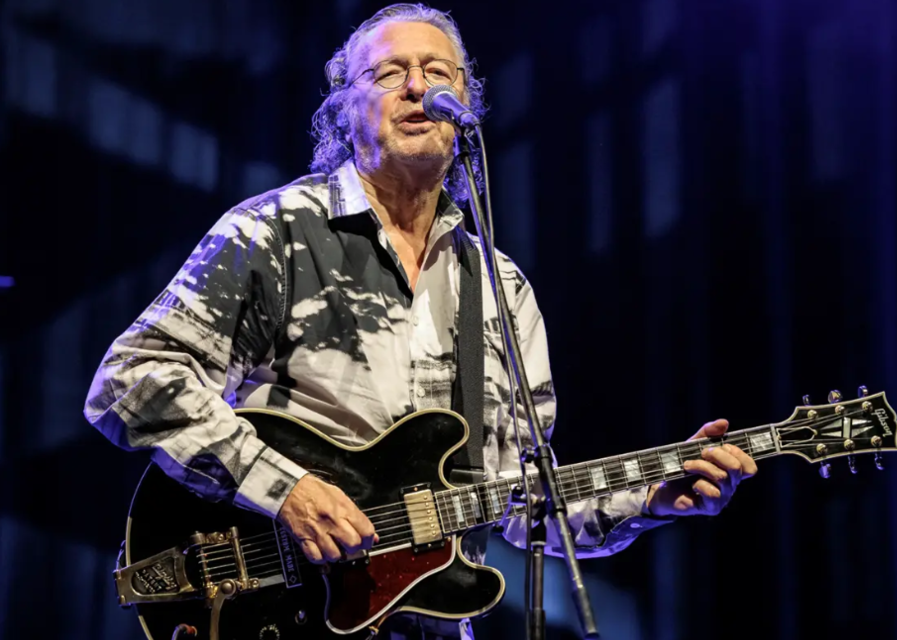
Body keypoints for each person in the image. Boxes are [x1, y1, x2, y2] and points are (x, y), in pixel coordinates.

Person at [83, 4, 757, 639]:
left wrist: (652, 498)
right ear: (345, 112)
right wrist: (284, 491)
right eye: (388, 73)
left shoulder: (501, 287)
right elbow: (130, 382)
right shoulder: (273, 234)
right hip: (272, 603)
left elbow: (520, 498)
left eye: (439, 72)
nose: (417, 87)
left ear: (466, 105)